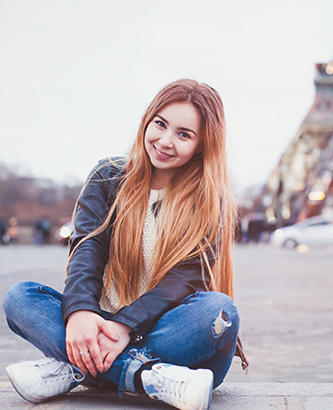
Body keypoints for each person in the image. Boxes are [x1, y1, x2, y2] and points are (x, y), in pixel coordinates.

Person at [3, 79, 248, 410]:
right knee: (21, 298)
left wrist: (124, 327)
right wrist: (80, 314)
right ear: (147, 119)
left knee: (218, 311)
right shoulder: (108, 177)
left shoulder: (208, 198)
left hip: (171, 333)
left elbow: (184, 280)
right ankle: (145, 376)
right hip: (108, 325)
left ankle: (79, 369)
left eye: (184, 134)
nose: (165, 140)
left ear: (202, 146)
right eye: (160, 124)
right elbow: (87, 250)